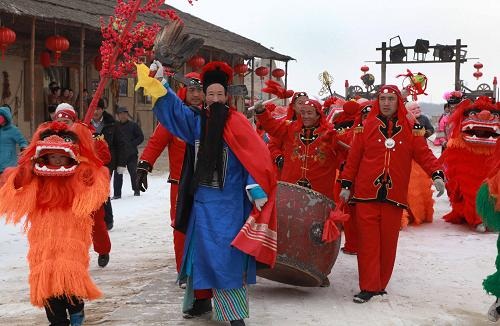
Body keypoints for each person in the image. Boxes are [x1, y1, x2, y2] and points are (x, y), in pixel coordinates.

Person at [136, 61, 278, 326]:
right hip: (203, 203)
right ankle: (200, 300)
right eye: (210, 95)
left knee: (227, 259)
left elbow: (256, 158)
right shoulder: (197, 121)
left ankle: (234, 314)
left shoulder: (238, 123)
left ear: (227, 96)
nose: (214, 99)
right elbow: (175, 113)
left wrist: (255, 184)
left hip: (230, 205)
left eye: (219, 95)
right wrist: (160, 84)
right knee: (202, 256)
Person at [338, 85, 445, 303]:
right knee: (368, 243)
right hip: (366, 194)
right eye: (383, 98)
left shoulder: (411, 128)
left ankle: (379, 285)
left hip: (394, 195)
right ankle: (368, 286)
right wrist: (346, 185)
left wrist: (437, 174)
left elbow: (424, 154)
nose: (386, 103)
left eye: (391, 99)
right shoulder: (365, 127)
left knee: (388, 243)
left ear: (398, 102)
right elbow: (354, 159)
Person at [0, 119, 110, 326]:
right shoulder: (34, 173)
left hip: (72, 232)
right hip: (43, 235)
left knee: (70, 275)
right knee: (47, 279)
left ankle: (76, 310)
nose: (57, 160)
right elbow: (14, 185)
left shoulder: (81, 170)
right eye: (52, 156)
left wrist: (89, 164)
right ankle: (57, 321)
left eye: (61, 156)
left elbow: (97, 181)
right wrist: (26, 169)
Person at [137, 72, 203, 275]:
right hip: (179, 184)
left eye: (200, 90)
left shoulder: (211, 115)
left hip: (207, 184)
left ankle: (205, 269)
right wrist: (144, 164)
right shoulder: (175, 118)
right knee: (181, 227)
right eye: (191, 90)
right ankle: (184, 271)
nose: (196, 94)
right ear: (184, 91)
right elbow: (156, 142)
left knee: (206, 227)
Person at [54, 103, 113, 268]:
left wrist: (91, 153)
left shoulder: (89, 134)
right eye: (60, 120)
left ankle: (103, 250)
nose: (63, 124)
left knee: (97, 222)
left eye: (66, 120)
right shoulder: (50, 139)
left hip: (89, 186)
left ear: (73, 120)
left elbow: (104, 157)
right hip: (66, 189)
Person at [91, 99, 125, 230]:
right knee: (91, 192)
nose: (95, 112)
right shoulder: (85, 124)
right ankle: (93, 220)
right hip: (89, 163)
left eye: (98, 109)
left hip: (107, 164)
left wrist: (121, 163)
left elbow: (120, 144)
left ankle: (108, 220)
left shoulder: (112, 124)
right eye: (93, 108)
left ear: (102, 109)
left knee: (103, 191)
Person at [112, 106, 144, 198]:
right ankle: (117, 194)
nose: (123, 116)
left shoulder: (133, 125)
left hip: (131, 154)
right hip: (120, 155)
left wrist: (132, 144)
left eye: (125, 114)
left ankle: (136, 189)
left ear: (127, 115)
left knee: (133, 172)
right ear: (118, 115)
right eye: (121, 114)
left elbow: (140, 137)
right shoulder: (115, 126)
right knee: (118, 174)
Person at [0, 105, 28, 176]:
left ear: (6, 118)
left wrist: (23, 147)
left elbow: (22, 141)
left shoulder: (13, 130)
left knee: (6, 184)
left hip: (9, 164)